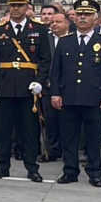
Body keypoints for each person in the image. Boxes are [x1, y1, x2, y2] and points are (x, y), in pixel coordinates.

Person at [0, 0, 51, 182]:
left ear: (27, 7)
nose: (15, 9)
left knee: (29, 131)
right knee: (4, 130)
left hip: (28, 88)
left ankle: (32, 168)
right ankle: (2, 166)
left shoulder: (39, 29)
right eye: (12, 5)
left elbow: (46, 60)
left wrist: (39, 82)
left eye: (20, 5)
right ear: (8, 7)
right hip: (5, 86)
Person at [52, 0, 101, 187]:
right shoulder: (64, 41)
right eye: (79, 14)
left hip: (94, 99)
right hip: (69, 97)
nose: (82, 18)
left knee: (94, 139)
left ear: (95, 19)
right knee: (68, 137)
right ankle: (70, 171)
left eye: (87, 15)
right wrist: (55, 93)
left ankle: (95, 172)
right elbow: (56, 71)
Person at [42, 12, 71, 161]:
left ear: (67, 23)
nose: (54, 24)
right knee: (50, 121)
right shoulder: (45, 39)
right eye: (52, 22)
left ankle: (68, 152)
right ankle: (52, 151)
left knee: (68, 122)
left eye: (58, 22)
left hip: (69, 88)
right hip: (48, 86)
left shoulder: (72, 39)